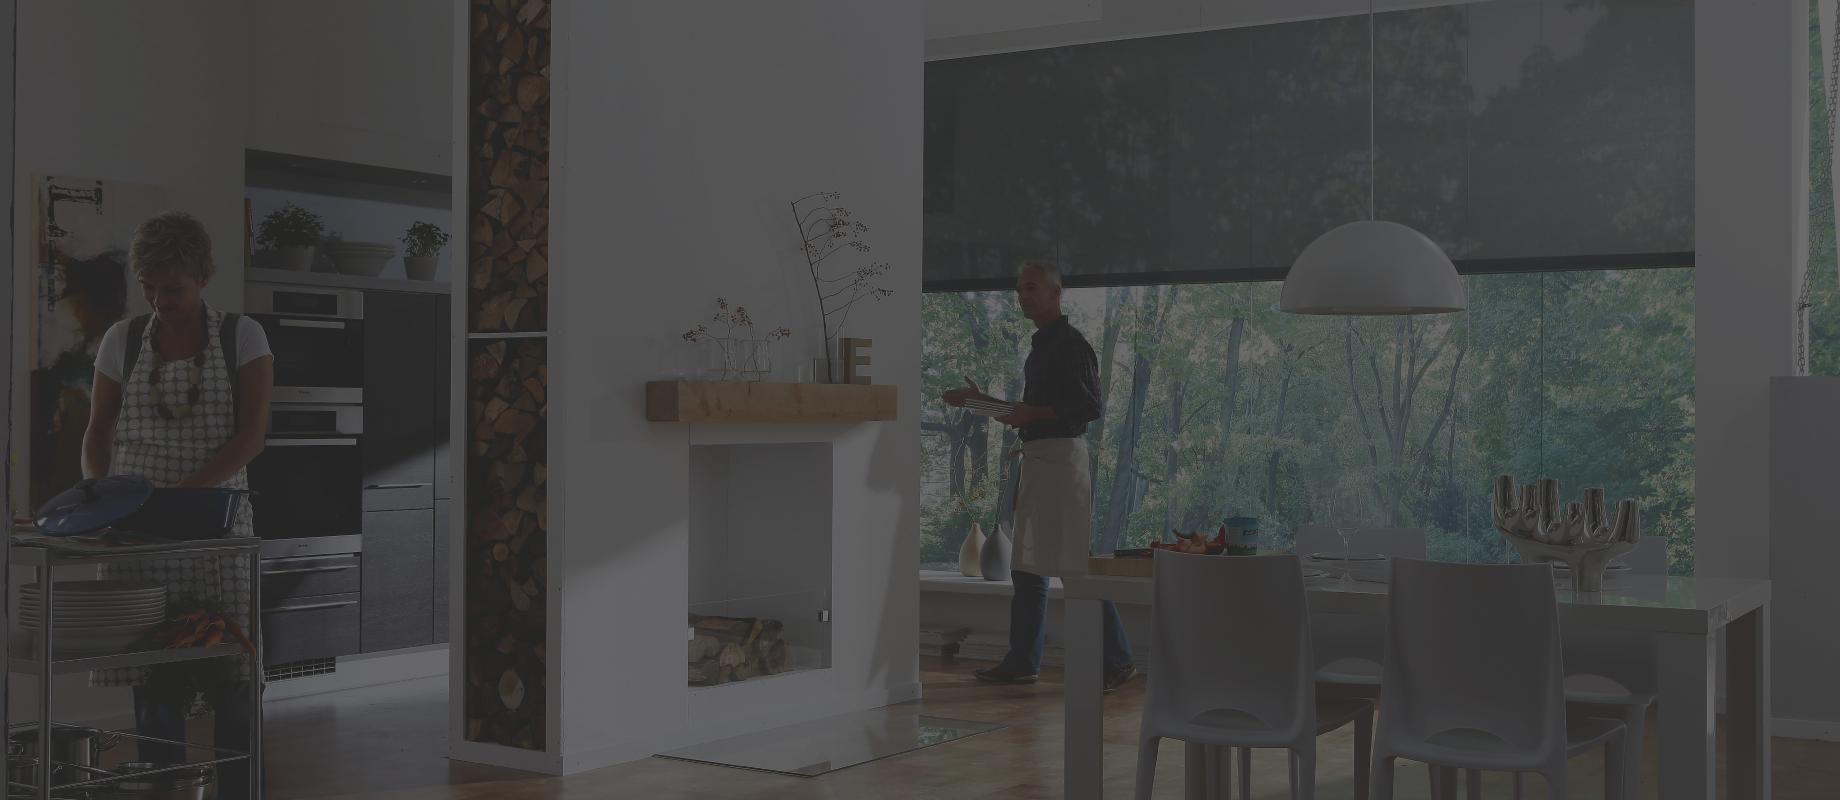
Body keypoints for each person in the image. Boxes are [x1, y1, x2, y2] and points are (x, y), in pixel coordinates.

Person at [81, 211, 273, 799]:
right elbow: (97, 432)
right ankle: (165, 793)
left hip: (218, 534)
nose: (159, 300)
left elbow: (252, 437)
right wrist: (98, 493)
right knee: (155, 685)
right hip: (142, 537)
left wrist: (186, 496)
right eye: (148, 287)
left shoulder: (243, 336)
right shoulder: (124, 339)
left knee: (234, 683)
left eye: (173, 289)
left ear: (205, 276)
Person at [943, 261, 1135, 690]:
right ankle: (1022, 660)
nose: (1023, 297)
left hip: (1063, 463)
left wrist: (1029, 413)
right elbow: (1024, 416)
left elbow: (1089, 408)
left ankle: (1118, 659)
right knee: (1028, 565)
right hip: (1038, 458)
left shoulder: (1072, 345)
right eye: (1018, 291)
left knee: (1073, 566)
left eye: (1031, 288)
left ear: (1055, 292)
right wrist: (979, 402)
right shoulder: (1041, 346)